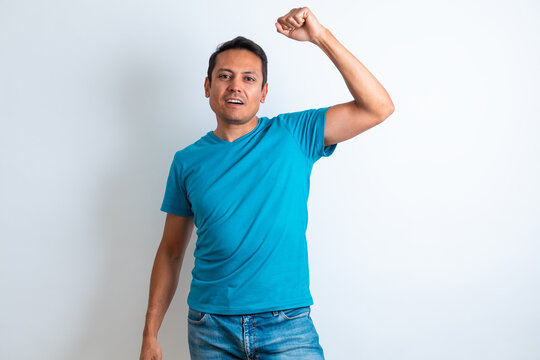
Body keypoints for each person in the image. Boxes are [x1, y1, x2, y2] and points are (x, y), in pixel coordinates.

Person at [140, 6, 394, 360]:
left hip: (286, 326)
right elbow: (170, 252)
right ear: (207, 86)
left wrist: (320, 37)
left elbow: (377, 106)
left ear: (264, 91)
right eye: (225, 76)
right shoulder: (187, 161)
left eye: (248, 78)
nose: (235, 86)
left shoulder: (294, 134)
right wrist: (150, 332)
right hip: (210, 327)